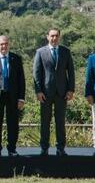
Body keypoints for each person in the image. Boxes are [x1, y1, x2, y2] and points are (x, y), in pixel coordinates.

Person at [32, 28, 75, 156]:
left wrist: (71, 89)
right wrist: (38, 91)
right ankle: (44, 148)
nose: (54, 38)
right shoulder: (40, 52)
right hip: (45, 93)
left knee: (60, 121)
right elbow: (36, 73)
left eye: (56, 36)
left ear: (59, 37)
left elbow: (71, 72)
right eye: (52, 36)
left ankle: (60, 148)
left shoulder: (65, 52)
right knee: (45, 121)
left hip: (62, 93)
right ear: (47, 37)